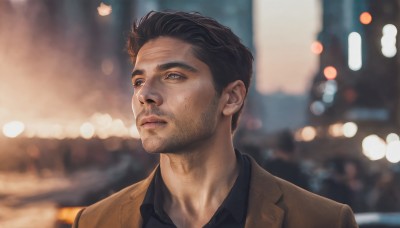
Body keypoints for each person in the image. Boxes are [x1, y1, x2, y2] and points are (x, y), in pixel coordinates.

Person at [73, 11, 358, 228]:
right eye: (138, 81)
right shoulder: (95, 221)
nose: (145, 95)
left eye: (173, 76)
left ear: (231, 98)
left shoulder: (324, 220)